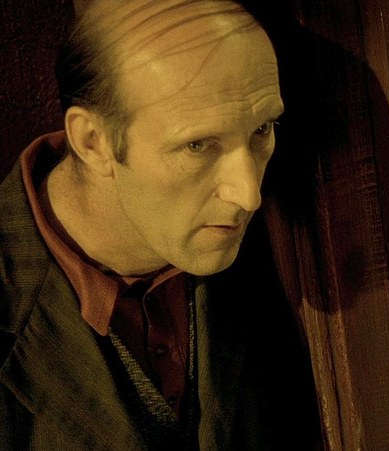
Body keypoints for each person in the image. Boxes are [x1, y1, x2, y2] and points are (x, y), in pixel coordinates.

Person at [0, 0, 319, 448]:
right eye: (197, 145)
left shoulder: (266, 243)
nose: (248, 194)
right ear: (93, 142)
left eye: (262, 130)